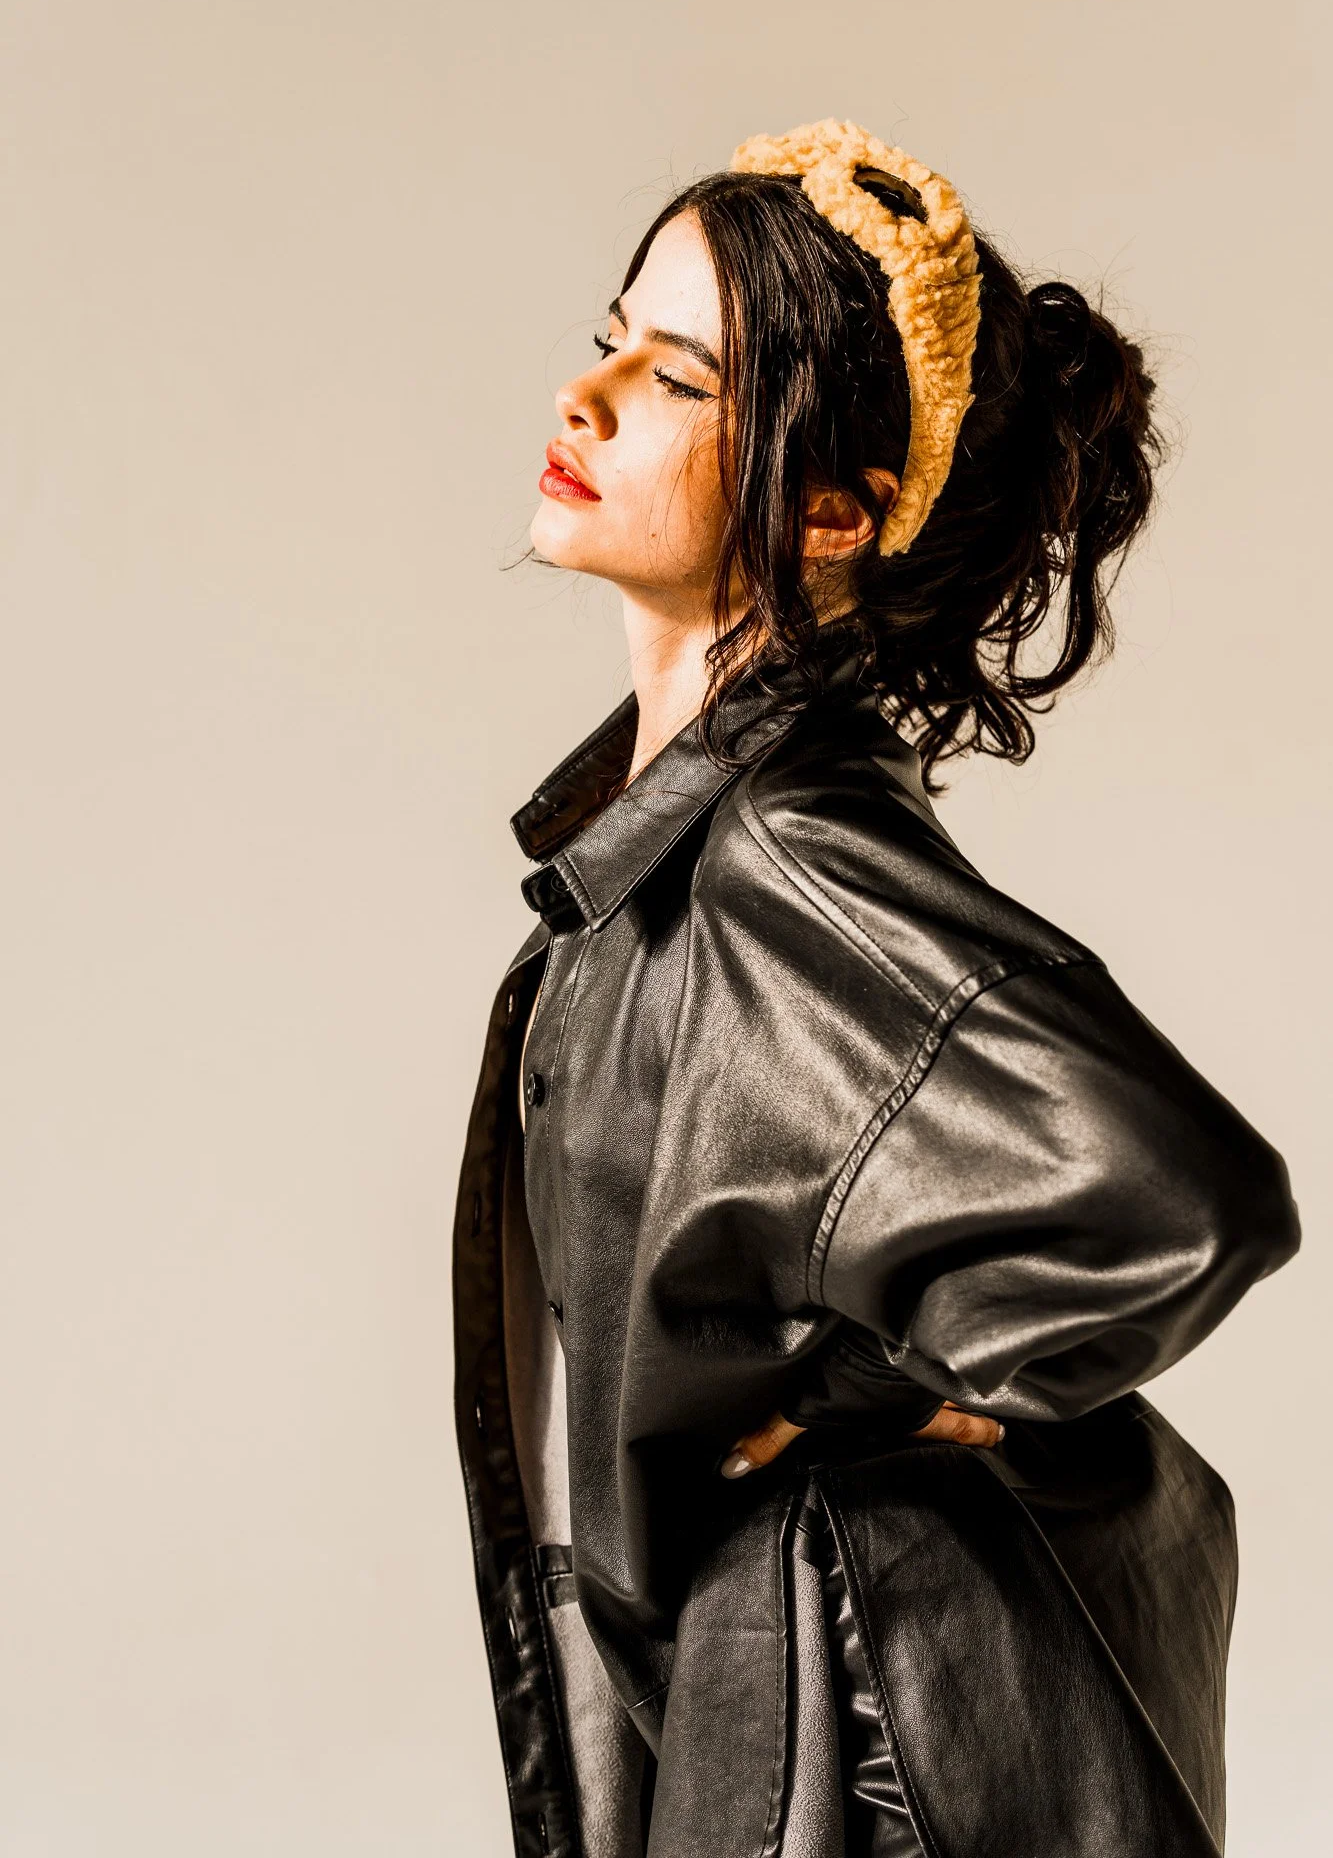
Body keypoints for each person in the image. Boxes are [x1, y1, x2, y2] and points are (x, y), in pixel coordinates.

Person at [452, 119, 1299, 1858]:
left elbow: (1184, 1199)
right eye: (610, 332)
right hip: (778, 1725)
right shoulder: (674, 852)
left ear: (834, 506)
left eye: (677, 378)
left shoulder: (786, 854)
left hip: (856, 1752)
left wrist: (861, 1398)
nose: (592, 393)